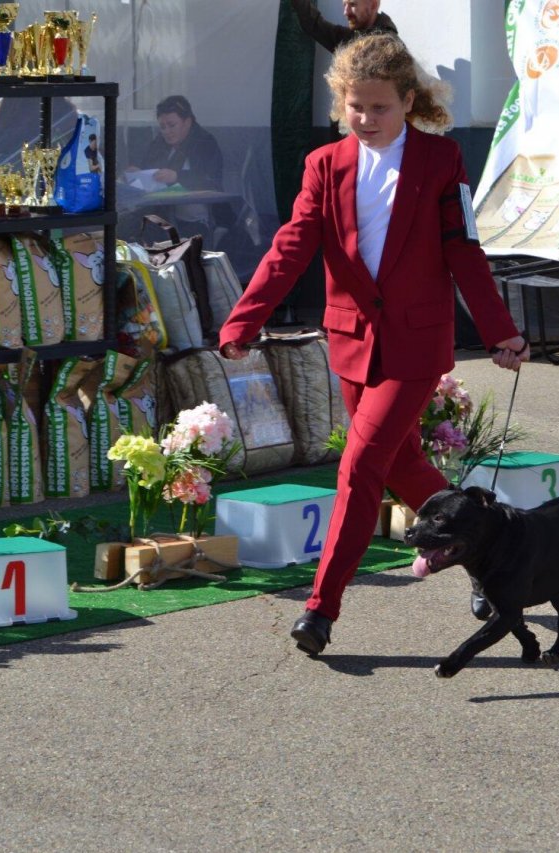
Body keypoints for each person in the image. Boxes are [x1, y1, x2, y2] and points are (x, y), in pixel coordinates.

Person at [219, 33, 529, 657]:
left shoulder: (441, 160)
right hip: (351, 341)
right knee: (403, 467)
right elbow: (291, 247)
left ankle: (320, 608)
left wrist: (500, 329)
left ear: (408, 101)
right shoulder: (323, 164)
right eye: (354, 106)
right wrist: (243, 321)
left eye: (380, 107)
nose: (365, 118)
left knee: (360, 468)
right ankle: (492, 555)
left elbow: (463, 249)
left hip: (416, 346)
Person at [126, 95, 223, 191]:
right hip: (159, 198)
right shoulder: (159, 142)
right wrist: (138, 173)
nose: (166, 131)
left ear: (187, 122)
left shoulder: (205, 143)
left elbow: (210, 180)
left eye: (172, 125)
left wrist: (177, 177)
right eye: (162, 127)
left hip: (195, 199)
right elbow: (148, 168)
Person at [290, 0, 397, 53]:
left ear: (373, 5)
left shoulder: (389, 49)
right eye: (344, 5)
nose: (346, 12)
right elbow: (315, 26)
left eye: (352, 4)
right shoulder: (354, 38)